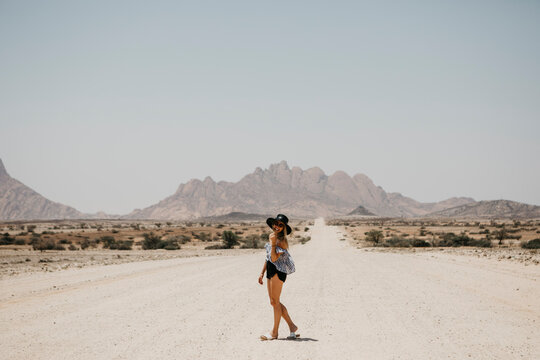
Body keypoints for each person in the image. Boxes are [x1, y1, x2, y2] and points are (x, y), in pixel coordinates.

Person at [258, 214, 299, 340]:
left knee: (275, 301)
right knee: (273, 302)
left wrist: (274, 244)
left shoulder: (282, 242)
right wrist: (262, 272)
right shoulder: (272, 236)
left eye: (280, 225)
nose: (277, 226)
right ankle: (292, 326)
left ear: (284, 228)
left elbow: (275, 258)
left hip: (279, 271)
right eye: (276, 223)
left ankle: (274, 333)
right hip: (270, 269)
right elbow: (268, 257)